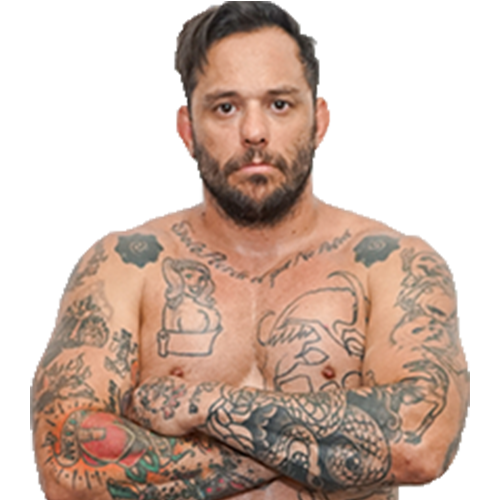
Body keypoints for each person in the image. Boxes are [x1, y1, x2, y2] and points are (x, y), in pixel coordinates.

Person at [33, 2, 469, 499]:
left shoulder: (393, 264)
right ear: (187, 129)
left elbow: (421, 442)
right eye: (226, 107)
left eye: (279, 104)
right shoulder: (124, 266)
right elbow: (66, 466)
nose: (254, 132)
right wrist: (327, 449)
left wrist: (197, 406)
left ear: (319, 121)